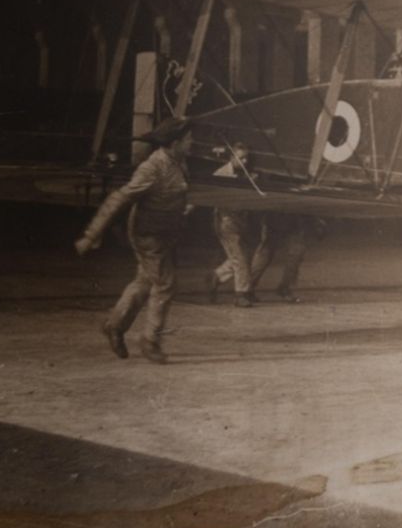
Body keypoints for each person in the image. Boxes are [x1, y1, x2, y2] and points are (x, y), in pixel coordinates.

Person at [74, 116, 194, 362]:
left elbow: (177, 191)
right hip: (147, 234)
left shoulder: (180, 162)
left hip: (166, 232)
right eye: (189, 139)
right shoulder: (152, 167)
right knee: (165, 284)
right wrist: (91, 235)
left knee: (145, 280)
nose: (193, 142)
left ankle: (114, 325)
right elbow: (118, 199)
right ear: (174, 143)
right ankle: (150, 341)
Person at [207, 142, 263, 308]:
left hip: (241, 220)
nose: (245, 162)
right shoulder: (221, 174)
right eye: (241, 158)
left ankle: (217, 276)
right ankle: (241, 294)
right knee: (239, 258)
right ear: (232, 157)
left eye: (246, 158)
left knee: (242, 257)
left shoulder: (247, 175)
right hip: (226, 221)